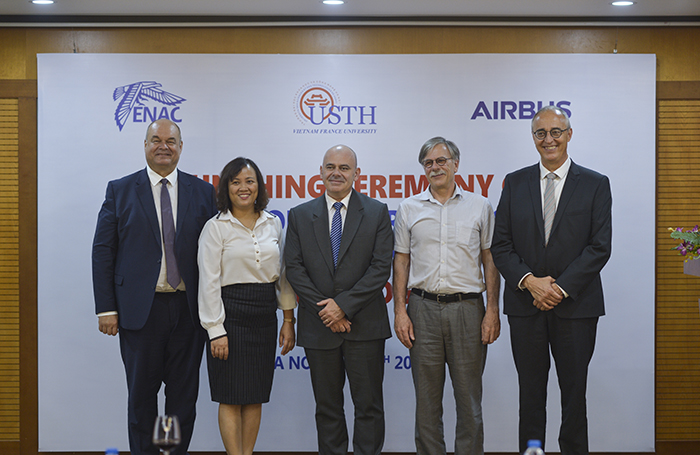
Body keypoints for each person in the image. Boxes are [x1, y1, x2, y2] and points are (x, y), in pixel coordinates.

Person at [491, 105, 612, 455]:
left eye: (556, 132)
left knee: (574, 395)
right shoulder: (515, 182)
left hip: (576, 307)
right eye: (541, 133)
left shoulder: (594, 184)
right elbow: (501, 245)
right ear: (533, 138)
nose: (549, 139)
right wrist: (530, 281)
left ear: (569, 135)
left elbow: (599, 247)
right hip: (525, 306)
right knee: (530, 394)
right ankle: (533, 451)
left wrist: (558, 288)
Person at [92, 119, 217, 455]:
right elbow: (104, 251)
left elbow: (216, 254)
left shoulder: (203, 192)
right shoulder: (120, 190)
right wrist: (106, 308)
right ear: (145, 145)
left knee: (181, 400)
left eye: (171, 140)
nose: (164, 146)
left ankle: (170, 453)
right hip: (138, 313)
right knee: (142, 399)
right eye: (156, 140)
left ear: (181, 146)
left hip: (188, 313)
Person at [393, 136, 501, 455]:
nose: (435, 167)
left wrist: (492, 310)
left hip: (468, 310)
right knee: (426, 403)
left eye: (442, 161)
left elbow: (490, 260)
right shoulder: (408, 208)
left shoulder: (480, 206)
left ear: (456, 164)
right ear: (423, 168)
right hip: (421, 309)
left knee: (469, 400)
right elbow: (401, 260)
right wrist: (400, 311)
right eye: (429, 162)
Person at [284, 144, 393, 455]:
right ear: (320, 171)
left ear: (356, 174)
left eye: (344, 168)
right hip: (320, 328)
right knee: (328, 408)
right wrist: (327, 310)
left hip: (365, 326)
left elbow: (380, 268)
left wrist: (342, 306)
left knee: (369, 408)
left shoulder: (376, 212)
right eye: (330, 166)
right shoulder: (300, 215)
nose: (336, 173)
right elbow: (295, 268)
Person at [197, 157, 296, 455]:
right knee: (230, 396)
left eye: (249, 181)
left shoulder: (273, 223)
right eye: (235, 181)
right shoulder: (216, 228)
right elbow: (208, 282)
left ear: (259, 187)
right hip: (229, 317)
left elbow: (284, 276)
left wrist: (288, 320)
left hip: (264, 317)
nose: (243, 187)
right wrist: (216, 330)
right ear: (226, 188)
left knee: (254, 395)